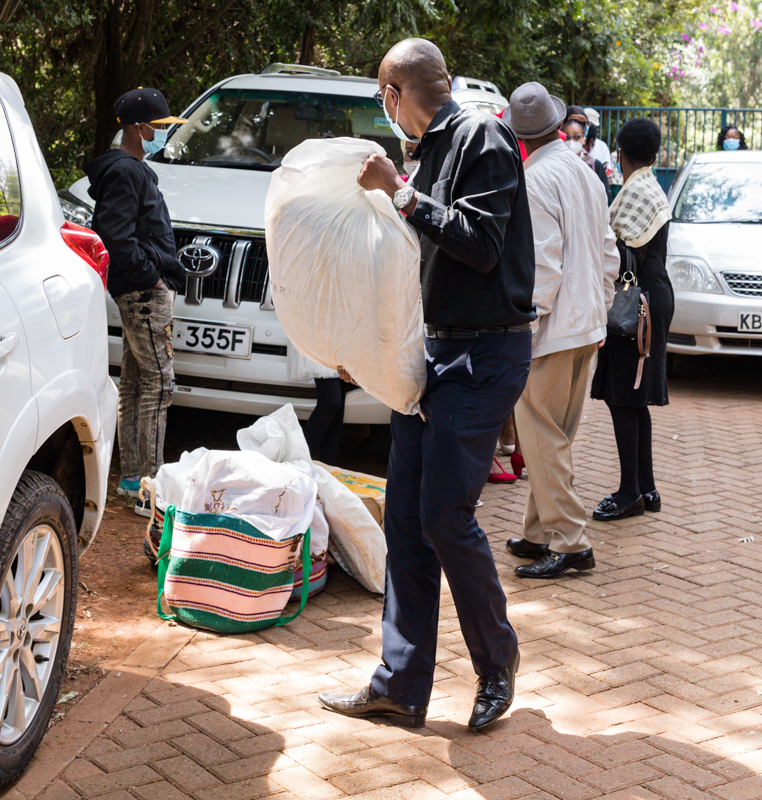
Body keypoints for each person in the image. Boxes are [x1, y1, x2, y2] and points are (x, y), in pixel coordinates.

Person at [317, 38, 534, 732]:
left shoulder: (482, 136)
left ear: (394, 93)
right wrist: (368, 350)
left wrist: (400, 192)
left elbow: (481, 244)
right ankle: (401, 686)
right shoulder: (425, 151)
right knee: (408, 522)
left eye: (384, 102)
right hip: (428, 356)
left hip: (485, 358)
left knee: (445, 515)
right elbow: (409, 273)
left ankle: (497, 662)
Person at [500, 83, 620, 578]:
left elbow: (542, 267)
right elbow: (610, 253)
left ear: (519, 137)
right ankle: (537, 532)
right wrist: (600, 310)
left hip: (554, 327)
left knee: (541, 434)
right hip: (587, 323)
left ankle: (570, 541)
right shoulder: (585, 171)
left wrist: (525, 327)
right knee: (554, 435)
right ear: (557, 123)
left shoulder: (534, 179)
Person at [85, 88, 187, 518]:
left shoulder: (130, 169)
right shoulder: (127, 172)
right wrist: (153, 275)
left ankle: (132, 481)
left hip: (138, 290)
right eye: (158, 128)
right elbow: (116, 236)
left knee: (135, 383)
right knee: (160, 385)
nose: (162, 135)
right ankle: (152, 489)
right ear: (137, 128)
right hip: (144, 293)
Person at [591, 118, 673, 521]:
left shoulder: (632, 192)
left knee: (624, 396)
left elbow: (616, 252)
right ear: (655, 153)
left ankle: (629, 493)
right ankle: (647, 487)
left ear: (619, 153)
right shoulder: (649, 186)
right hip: (651, 299)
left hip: (633, 306)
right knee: (635, 397)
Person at [562, 116, 609, 191]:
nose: (571, 141)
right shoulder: (556, 164)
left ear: (584, 140)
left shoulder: (595, 165)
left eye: (576, 137)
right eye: (567, 137)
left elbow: (604, 197)